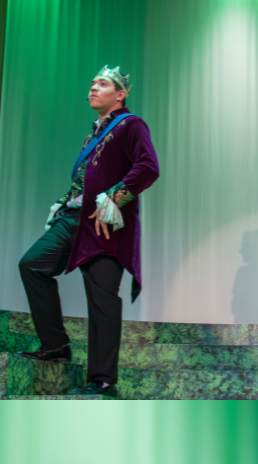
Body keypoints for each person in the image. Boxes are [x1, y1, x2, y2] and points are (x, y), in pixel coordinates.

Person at [17, 66, 160, 397]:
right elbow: (84, 180)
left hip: (103, 222)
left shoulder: (131, 124)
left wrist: (115, 196)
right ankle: (55, 345)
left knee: (101, 298)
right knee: (32, 264)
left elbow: (148, 167)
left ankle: (103, 379)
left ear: (120, 94)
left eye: (102, 84)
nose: (93, 88)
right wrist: (63, 202)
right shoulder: (93, 134)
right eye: (92, 84)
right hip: (73, 218)